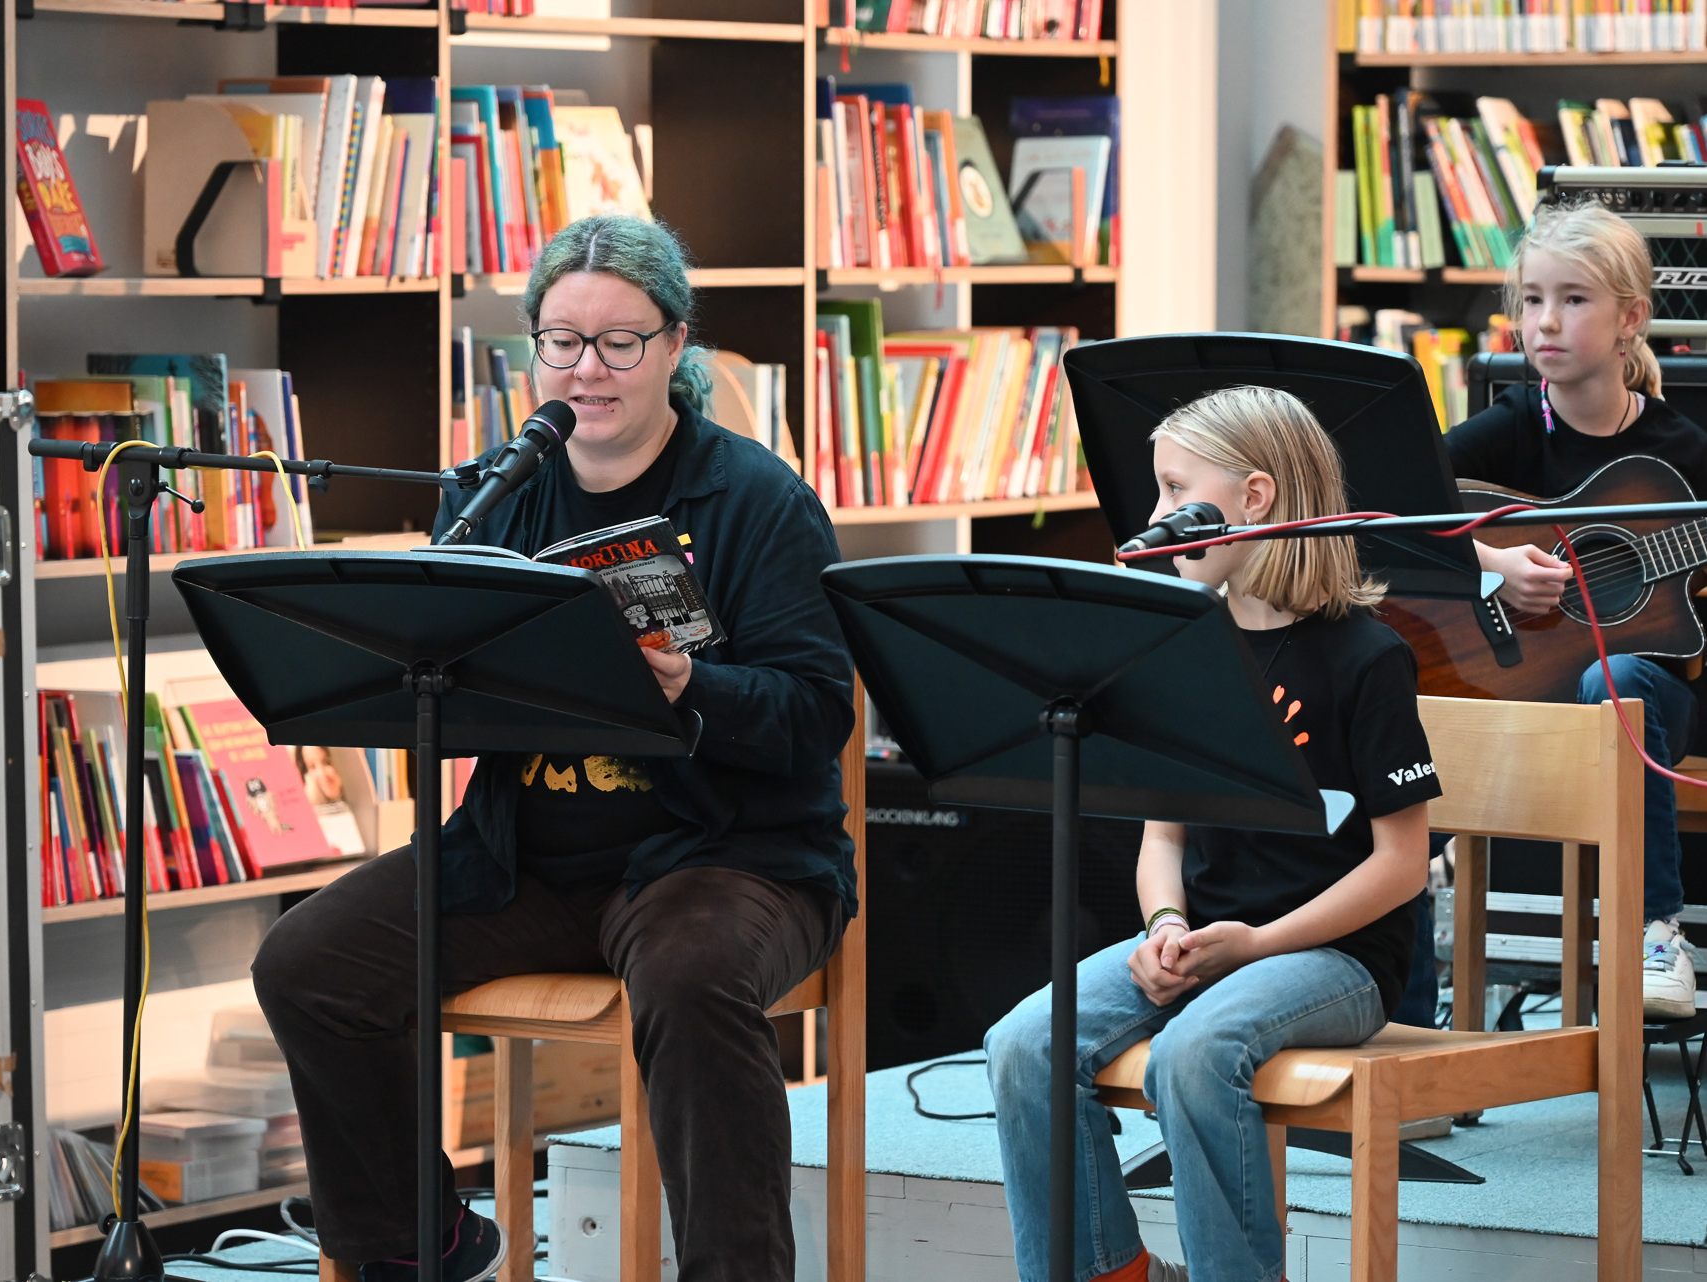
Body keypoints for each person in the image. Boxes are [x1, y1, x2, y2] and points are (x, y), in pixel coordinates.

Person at [251, 214, 858, 1282]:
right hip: (521, 854)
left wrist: (685, 681)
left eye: (619, 342)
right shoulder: (500, 491)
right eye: (561, 341)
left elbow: (814, 714)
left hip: (725, 855)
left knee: (692, 974)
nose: (588, 368)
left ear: (675, 346)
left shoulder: (760, 503)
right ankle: (422, 1244)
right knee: (307, 964)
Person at [984, 385, 1441, 1282]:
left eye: (1172, 493)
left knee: (1196, 1053)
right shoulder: (1183, 645)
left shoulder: (1366, 654)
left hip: (1334, 959)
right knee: (1023, 1044)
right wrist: (1163, 928)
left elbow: (1401, 865)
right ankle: (1108, 1271)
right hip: (1208, 944)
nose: (1155, 520)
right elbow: (1165, 840)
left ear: (1256, 499)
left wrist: (1257, 944)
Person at [1444, 199, 1706, 1020]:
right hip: (1515, 684)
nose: (1543, 322)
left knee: (1616, 672)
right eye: (1530, 299)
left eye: (1572, 299)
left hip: (1646, 698)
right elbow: (1378, 518)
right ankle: (1398, 1014)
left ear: (1631, 317)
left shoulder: (1680, 458)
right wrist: (1490, 565)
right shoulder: (1508, 430)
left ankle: (1654, 936)